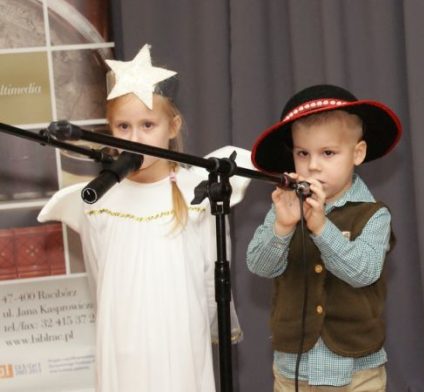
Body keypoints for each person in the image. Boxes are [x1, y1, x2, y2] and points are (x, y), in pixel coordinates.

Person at [38, 44, 252, 392]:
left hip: (180, 345)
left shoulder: (198, 192)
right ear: (109, 130)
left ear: (172, 126)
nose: (135, 138)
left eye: (147, 124)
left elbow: (212, 280)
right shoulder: (98, 200)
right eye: (123, 126)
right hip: (122, 348)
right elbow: (99, 280)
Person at [246, 84, 401, 391]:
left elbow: (363, 271)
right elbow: (259, 266)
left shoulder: (373, 214)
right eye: (303, 153)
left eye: (328, 153)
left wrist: (320, 227)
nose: (313, 165)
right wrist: (282, 227)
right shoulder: (285, 207)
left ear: (357, 153)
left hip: (356, 372)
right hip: (292, 370)